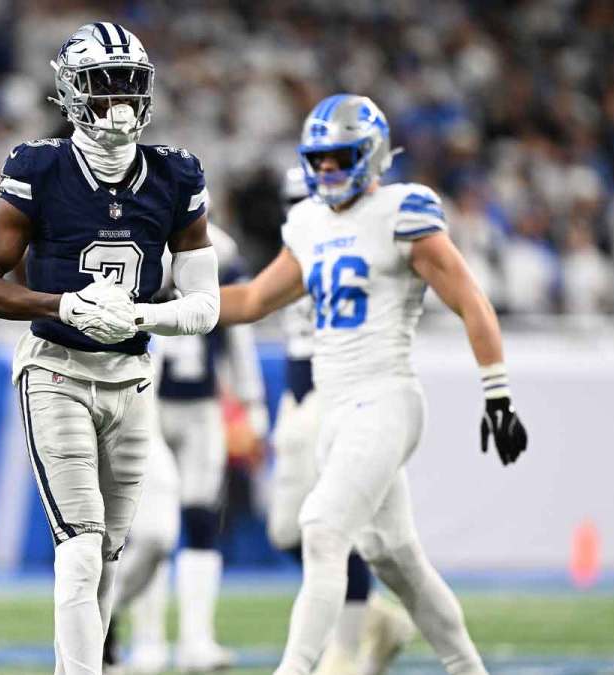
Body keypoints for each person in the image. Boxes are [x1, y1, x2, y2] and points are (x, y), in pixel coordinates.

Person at [218, 95, 528, 675]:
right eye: (321, 160)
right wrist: (159, 307)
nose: (328, 170)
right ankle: (468, 667)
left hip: (385, 396)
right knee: (397, 562)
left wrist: (498, 393)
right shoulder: (308, 222)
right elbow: (255, 299)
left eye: (340, 158)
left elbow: (469, 299)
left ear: (372, 153)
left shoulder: (403, 209)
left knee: (321, 528)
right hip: (335, 408)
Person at [0, 22, 220, 675]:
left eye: (130, 88)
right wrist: (61, 305)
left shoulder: (175, 174)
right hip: (56, 370)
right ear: (73, 93)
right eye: (104, 89)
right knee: (79, 546)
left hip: (132, 375)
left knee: (108, 554)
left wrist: (139, 314)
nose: (121, 104)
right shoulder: (40, 168)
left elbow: (207, 305)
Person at [267, 168, 414, 675]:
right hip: (297, 401)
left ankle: (345, 652)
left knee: (333, 531)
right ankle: (375, 619)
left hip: (337, 399)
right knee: (288, 530)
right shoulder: (301, 250)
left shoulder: (352, 250)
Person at [105, 220, 266, 673]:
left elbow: (237, 328)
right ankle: (146, 640)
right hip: (146, 407)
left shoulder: (221, 250)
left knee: (199, 519)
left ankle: (197, 639)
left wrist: (252, 403)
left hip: (202, 410)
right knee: (153, 529)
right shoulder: (137, 245)